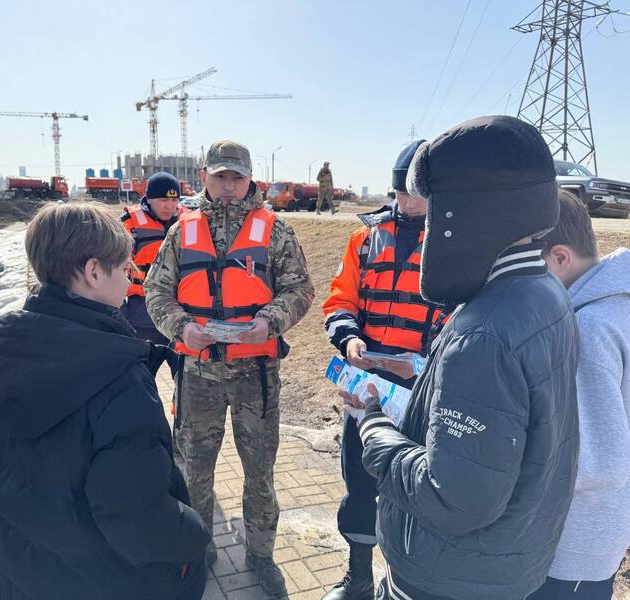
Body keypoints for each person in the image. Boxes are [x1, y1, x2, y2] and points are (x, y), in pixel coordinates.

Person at [347, 116, 579, 600]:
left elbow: (450, 497)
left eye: (436, 213)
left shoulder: (485, 333)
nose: (428, 227)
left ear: (468, 215)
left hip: (446, 576)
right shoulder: (544, 293)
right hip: (503, 562)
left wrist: (372, 426)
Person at [0, 202, 210, 600]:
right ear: (94, 272)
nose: (131, 279)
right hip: (108, 580)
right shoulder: (118, 376)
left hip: (23, 566)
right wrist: (194, 535)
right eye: (125, 268)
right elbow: (134, 515)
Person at [144, 140, 314, 596]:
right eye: (220, 176)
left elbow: (300, 290)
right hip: (198, 375)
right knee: (195, 471)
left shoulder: (276, 230)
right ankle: (199, 553)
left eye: (237, 178)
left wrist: (270, 321)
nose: (228, 186)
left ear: (250, 180)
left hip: (255, 377)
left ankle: (260, 557)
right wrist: (180, 327)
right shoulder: (181, 231)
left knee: (260, 473)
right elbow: (155, 293)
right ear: (204, 177)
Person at [321, 140, 447, 600]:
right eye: (400, 192)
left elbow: (464, 315)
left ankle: (404, 582)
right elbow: (340, 299)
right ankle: (357, 578)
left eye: (416, 193)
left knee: (416, 488)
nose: (406, 203)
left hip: (425, 388)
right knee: (360, 481)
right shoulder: (364, 239)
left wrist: (425, 361)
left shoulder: (455, 245)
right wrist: (349, 338)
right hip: (368, 386)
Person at [527, 191, 630, 599]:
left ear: (559, 258)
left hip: (573, 542)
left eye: (525, 267)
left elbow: (594, 462)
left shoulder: (588, 329)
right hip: (597, 532)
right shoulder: (614, 305)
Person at [120, 171, 185, 346]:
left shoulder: (188, 221)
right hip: (142, 312)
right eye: (163, 200)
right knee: (143, 370)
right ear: (148, 199)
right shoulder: (130, 224)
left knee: (182, 371)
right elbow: (112, 269)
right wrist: (122, 311)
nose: (170, 206)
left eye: (174, 200)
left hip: (182, 312)